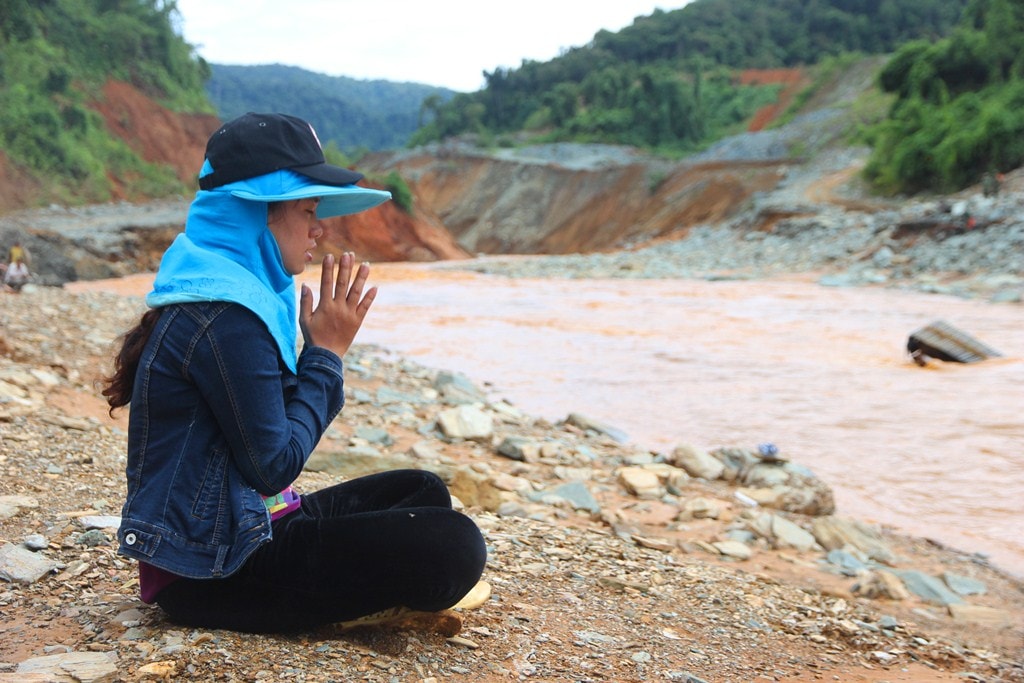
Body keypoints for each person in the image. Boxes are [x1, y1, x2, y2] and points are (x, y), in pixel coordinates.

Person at [102, 112, 487, 634]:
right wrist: (325, 355)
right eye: (307, 210)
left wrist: (317, 354)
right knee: (455, 546)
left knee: (423, 492)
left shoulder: (237, 297)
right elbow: (273, 466)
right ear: (256, 217)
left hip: (245, 525)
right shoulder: (227, 319)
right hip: (213, 568)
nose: (319, 228)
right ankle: (354, 599)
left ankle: (356, 593)